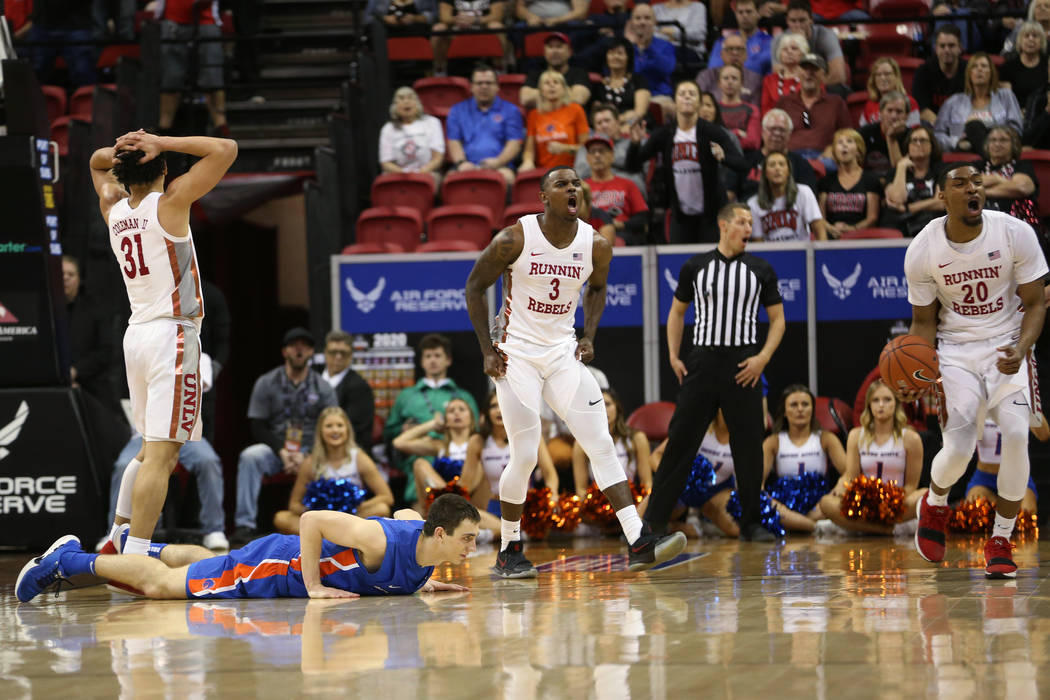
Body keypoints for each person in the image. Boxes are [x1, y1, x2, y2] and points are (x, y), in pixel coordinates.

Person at [464, 166, 688, 575]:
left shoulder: (596, 245)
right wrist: (486, 350)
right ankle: (509, 550)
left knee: (600, 441)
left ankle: (637, 539)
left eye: (577, 184)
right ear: (544, 196)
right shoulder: (515, 238)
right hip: (517, 356)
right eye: (562, 183)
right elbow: (474, 287)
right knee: (526, 454)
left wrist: (588, 334)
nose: (573, 188)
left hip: (562, 353)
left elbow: (598, 288)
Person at [88, 130, 237, 561]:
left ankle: (116, 534)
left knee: (148, 447)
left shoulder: (112, 208)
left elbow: (97, 163)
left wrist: (124, 151)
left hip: (136, 336)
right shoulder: (171, 204)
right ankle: (136, 554)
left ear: (122, 172)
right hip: (171, 335)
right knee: (164, 456)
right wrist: (159, 140)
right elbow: (225, 149)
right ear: (164, 167)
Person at [908, 163, 1048, 578]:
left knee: (1019, 436)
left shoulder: (1013, 232)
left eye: (977, 182)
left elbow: (1036, 303)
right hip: (956, 351)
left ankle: (1000, 540)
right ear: (941, 195)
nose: (973, 189)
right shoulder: (923, 248)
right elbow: (923, 321)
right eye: (961, 183)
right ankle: (934, 505)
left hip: (1007, 344)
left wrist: (1021, 348)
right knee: (960, 447)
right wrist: (920, 368)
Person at [16, 493, 479, 603]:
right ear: (440, 535)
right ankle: (65, 559)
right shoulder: (377, 540)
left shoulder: (421, 537)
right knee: (162, 590)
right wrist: (315, 586)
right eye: (467, 539)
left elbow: (406, 518)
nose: (472, 548)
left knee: (210, 562)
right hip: (277, 567)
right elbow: (312, 519)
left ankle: (146, 550)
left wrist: (424, 579)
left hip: (276, 559)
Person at [645, 202, 786, 542]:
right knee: (680, 441)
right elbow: (676, 314)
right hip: (703, 363)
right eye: (742, 221)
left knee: (750, 446)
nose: (749, 227)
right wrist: (674, 355)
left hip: (744, 366)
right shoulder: (696, 266)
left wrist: (763, 358)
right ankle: (654, 523)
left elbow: (778, 319)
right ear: (724, 226)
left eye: (751, 222)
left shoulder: (761, 268)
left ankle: (751, 522)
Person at [233, 327, 338, 545]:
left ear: (311, 352)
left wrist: (307, 456)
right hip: (275, 449)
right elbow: (258, 426)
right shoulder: (267, 382)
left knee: (333, 460)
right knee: (250, 456)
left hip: (313, 451)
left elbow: (331, 425)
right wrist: (282, 450)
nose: (299, 351)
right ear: (285, 352)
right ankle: (244, 525)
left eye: (305, 347)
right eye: (294, 346)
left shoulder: (323, 387)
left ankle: (327, 528)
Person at [626, 80, 747, 243]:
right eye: (682, 94)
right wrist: (634, 144)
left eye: (692, 94)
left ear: (699, 103)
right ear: (675, 102)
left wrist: (724, 157)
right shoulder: (665, 133)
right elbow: (632, 166)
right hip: (681, 217)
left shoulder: (712, 132)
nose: (687, 98)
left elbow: (742, 165)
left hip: (711, 215)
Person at [819, 380, 925, 535]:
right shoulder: (856, 435)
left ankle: (858, 527)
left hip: (896, 504)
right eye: (875, 400)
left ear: (896, 404)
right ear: (869, 405)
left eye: (887, 400)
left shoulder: (911, 438)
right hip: (864, 502)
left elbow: (911, 486)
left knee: (925, 496)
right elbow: (851, 477)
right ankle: (887, 530)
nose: (881, 405)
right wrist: (842, 485)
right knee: (826, 502)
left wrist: (889, 503)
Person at [382, 334, 480, 504]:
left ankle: (454, 505)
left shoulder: (463, 397)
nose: (432, 361)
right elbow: (391, 433)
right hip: (419, 457)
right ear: (422, 362)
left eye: (437, 356)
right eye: (428, 356)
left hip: (460, 459)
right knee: (421, 466)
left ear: (448, 360)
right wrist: (404, 430)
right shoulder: (407, 396)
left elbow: (477, 432)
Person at [274, 407, 394, 535]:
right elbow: (294, 504)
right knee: (281, 518)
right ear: (320, 431)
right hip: (321, 522)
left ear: (347, 429)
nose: (335, 430)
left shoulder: (359, 458)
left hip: (352, 518)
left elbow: (387, 497)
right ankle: (331, 535)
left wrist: (354, 506)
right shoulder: (310, 462)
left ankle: (329, 537)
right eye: (329, 426)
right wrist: (315, 509)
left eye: (340, 425)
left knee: (382, 509)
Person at [107, 432, 229, 551]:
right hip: (147, 434)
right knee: (126, 465)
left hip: (185, 434)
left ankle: (214, 529)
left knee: (208, 461)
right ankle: (116, 532)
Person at [762, 384, 846, 532]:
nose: (800, 409)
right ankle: (815, 528)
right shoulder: (773, 442)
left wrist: (839, 487)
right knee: (763, 502)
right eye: (794, 405)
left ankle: (796, 525)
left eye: (805, 404)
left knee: (835, 502)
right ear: (784, 412)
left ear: (812, 410)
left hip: (819, 506)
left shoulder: (826, 438)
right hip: (784, 506)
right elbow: (758, 482)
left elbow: (849, 472)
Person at [461, 391, 559, 516]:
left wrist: (552, 495)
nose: (498, 410)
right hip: (495, 507)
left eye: (503, 404)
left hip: (527, 508)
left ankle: (497, 534)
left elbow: (550, 474)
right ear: (486, 412)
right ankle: (499, 532)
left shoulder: (531, 435)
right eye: (493, 406)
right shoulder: (478, 441)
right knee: (477, 517)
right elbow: (466, 483)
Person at [156, 0, 229, 136]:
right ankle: (164, 127)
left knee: (212, 78)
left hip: (207, 21)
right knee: (171, 79)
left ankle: (221, 125)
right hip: (172, 22)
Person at [447, 64, 525, 188]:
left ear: (497, 87)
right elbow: (453, 141)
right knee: (450, 180)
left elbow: (514, 143)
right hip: (467, 165)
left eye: (489, 83)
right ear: (471, 87)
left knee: (507, 178)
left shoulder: (511, 110)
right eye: (479, 83)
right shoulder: (457, 110)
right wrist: (462, 163)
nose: (484, 86)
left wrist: (498, 162)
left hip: (501, 166)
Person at [392, 397, 476, 510]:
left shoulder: (479, 442)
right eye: (451, 411)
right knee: (420, 463)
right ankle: (448, 502)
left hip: (471, 501)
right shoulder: (440, 446)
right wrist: (432, 424)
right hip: (441, 503)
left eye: (462, 409)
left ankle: (454, 504)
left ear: (471, 417)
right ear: (446, 420)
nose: (457, 413)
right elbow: (399, 442)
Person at [933, 52, 1022, 154]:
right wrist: (955, 143)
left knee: (973, 126)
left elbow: (1016, 130)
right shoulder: (953, 102)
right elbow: (938, 134)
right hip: (962, 154)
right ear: (969, 73)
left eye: (984, 66)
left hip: (999, 153)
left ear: (991, 72)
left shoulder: (1005, 96)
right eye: (975, 66)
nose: (979, 69)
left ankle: (988, 156)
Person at [62, 255, 118, 414]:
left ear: (78, 280)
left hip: (91, 388)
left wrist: (76, 371)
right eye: (61, 273)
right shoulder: (46, 313)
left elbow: (106, 351)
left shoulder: (94, 311)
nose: (65, 277)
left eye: (70, 274)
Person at [573, 388, 652, 498]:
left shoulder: (637, 439)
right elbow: (581, 490)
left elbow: (647, 483)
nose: (603, 410)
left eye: (607, 404)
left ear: (617, 408)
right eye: (598, 405)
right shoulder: (581, 443)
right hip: (597, 504)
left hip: (631, 501)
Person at [729, 108, 817, 203]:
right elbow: (728, 194)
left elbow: (810, 201)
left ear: (789, 134)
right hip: (748, 214)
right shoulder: (745, 161)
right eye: (772, 129)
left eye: (782, 130)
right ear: (762, 132)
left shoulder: (801, 165)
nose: (777, 134)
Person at [776, 53, 851, 163]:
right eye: (805, 69)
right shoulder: (784, 102)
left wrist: (832, 148)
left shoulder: (836, 102)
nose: (808, 74)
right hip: (791, 157)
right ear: (798, 73)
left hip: (824, 157)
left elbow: (847, 133)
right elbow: (774, 132)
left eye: (814, 70)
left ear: (823, 74)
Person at [964, 418, 1048, 514]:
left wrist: (1031, 404)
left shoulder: (1021, 404)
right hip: (984, 479)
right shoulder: (979, 403)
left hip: (1017, 479)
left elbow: (1044, 435)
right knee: (976, 512)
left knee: (1026, 518)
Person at [583, 135, 649, 245]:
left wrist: (619, 225)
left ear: (612, 156)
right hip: (588, 236)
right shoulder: (581, 187)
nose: (597, 155)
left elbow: (642, 221)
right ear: (587, 158)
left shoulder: (628, 184)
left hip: (621, 235)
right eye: (593, 152)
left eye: (602, 151)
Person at [747, 151, 826, 241]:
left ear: (789, 171)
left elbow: (819, 230)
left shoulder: (804, 192)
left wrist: (823, 255)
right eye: (772, 165)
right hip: (770, 254)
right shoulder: (753, 203)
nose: (777, 168)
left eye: (781, 164)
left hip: (802, 253)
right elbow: (758, 242)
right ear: (765, 173)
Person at [319, 330, 375, 453]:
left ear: (351, 356)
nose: (338, 357)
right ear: (325, 353)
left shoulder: (360, 387)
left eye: (343, 353)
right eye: (333, 352)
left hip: (346, 450)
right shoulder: (313, 379)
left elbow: (354, 429)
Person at [883, 125, 945, 237]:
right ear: (908, 146)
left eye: (923, 140)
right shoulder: (895, 172)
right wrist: (901, 166)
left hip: (933, 228)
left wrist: (909, 208)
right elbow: (897, 200)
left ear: (932, 145)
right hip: (902, 228)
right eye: (914, 140)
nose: (918, 144)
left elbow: (941, 202)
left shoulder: (940, 170)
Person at [521, 71, 589, 172]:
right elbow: (529, 150)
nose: (551, 85)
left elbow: (587, 150)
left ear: (564, 89)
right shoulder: (534, 115)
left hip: (572, 170)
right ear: (541, 91)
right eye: (547, 83)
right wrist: (528, 161)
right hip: (543, 173)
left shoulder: (575, 110)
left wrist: (565, 148)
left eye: (556, 82)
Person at [771, 0, 848, 90]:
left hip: (824, 88)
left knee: (837, 89)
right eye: (793, 21)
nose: (798, 25)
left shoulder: (826, 35)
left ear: (811, 20)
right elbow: (779, 76)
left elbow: (839, 75)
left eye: (802, 20)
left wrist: (812, 89)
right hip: (792, 90)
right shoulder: (779, 40)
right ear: (787, 21)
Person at [818, 129, 880, 238]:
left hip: (861, 236)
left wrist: (852, 229)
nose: (844, 145)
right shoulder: (826, 181)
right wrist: (830, 228)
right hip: (831, 236)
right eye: (840, 142)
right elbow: (820, 217)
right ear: (835, 152)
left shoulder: (870, 179)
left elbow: (872, 218)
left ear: (858, 150)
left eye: (849, 141)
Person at [379, 87, 445, 186]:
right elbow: (385, 163)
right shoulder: (388, 128)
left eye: (410, 98)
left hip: (428, 173)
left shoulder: (432, 122)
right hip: (398, 175)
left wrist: (420, 173)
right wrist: (404, 174)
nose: (406, 102)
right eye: (401, 98)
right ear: (394, 106)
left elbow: (438, 158)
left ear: (418, 103)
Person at [572, 103, 646, 191]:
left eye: (607, 121)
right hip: (595, 193)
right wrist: (618, 166)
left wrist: (601, 167)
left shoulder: (632, 143)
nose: (604, 125)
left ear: (618, 123)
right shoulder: (587, 148)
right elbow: (581, 173)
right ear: (595, 128)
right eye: (599, 123)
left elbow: (639, 175)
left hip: (625, 192)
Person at [978, 125, 1040, 229]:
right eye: (993, 140)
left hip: (1018, 223)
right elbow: (969, 183)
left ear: (1014, 144)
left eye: (1003, 140)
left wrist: (982, 190)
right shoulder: (978, 165)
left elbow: (1022, 188)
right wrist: (1005, 182)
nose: (997, 144)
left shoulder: (1022, 165)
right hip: (982, 223)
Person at [24, 0, 97, 88]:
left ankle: (86, 100)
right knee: (34, 72)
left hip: (76, 23)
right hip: (44, 23)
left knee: (83, 71)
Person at [589, 38, 652, 131]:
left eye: (620, 53)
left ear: (628, 57)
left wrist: (619, 125)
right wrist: (617, 122)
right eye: (611, 53)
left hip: (633, 126)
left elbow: (640, 112)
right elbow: (596, 114)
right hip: (606, 129)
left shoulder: (638, 80)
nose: (615, 57)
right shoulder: (599, 85)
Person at [431, 0, 507, 76]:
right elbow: (444, 17)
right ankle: (440, 70)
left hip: (484, 29)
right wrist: (458, 19)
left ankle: (499, 68)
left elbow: (497, 16)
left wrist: (475, 20)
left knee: (496, 26)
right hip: (456, 30)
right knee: (439, 28)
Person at [623, 4, 676, 109]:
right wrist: (628, 45)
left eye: (647, 18)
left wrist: (648, 47)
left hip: (658, 96)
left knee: (667, 107)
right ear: (631, 23)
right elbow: (622, 73)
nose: (642, 22)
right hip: (629, 95)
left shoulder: (665, 45)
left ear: (654, 22)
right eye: (638, 18)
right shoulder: (624, 46)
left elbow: (667, 69)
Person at [912, 25, 968, 125]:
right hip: (933, 126)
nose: (946, 50)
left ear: (960, 48)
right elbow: (922, 109)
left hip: (963, 124)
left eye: (951, 46)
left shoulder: (969, 70)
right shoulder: (923, 71)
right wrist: (943, 126)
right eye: (942, 46)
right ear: (936, 49)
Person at [520, 33, 592, 109]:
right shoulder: (535, 74)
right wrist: (565, 93)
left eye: (559, 46)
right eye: (550, 47)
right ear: (544, 52)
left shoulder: (579, 73)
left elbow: (578, 98)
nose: (554, 51)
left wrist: (544, 94)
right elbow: (525, 98)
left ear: (569, 52)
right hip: (543, 119)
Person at [707, 0, 773, 76]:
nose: (744, 16)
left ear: (758, 14)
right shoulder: (722, 41)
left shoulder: (769, 41)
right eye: (740, 12)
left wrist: (730, 61)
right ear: (736, 15)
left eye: (749, 12)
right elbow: (713, 68)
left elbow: (757, 67)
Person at [696, 32, 763, 106]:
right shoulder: (706, 76)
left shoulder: (755, 79)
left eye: (739, 49)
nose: (735, 53)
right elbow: (698, 103)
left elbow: (756, 109)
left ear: (746, 55)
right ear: (722, 54)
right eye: (730, 49)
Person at [857, 91, 910, 179]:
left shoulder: (912, 137)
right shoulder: (865, 133)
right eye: (889, 110)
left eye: (899, 112)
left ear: (907, 116)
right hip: (869, 182)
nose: (893, 116)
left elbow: (902, 173)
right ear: (880, 113)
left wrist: (891, 137)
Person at [999, 21, 1049, 111]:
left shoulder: (1047, 66)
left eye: (1035, 36)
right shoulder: (1008, 68)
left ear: (1042, 41)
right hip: (1017, 113)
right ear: (1019, 41)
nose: (1031, 39)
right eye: (1026, 36)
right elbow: (1006, 101)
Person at [859, 57, 921, 128]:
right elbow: (863, 134)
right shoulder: (869, 105)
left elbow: (913, 133)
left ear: (896, 77)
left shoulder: (910, 102)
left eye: (887, 74)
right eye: (878, 75)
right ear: (874, 79)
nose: (883, 78)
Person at [761, 32, 808, 115]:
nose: (789, 52)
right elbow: (765, 109)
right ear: (780, 54)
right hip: (776, 124)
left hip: (803, 123)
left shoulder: (810, 78)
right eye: (785, 49)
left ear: (803, 54)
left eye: (794, 48)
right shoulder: (769, 80)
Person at [717, 65, 761, 152]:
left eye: (734, 78)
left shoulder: (752, 109)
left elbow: (753, 142)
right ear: (719, 83)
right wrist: (737, 132)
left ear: (742, 83)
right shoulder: (713, 109)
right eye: (726, 78)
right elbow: (711, 138)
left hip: (746, 157)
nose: (730, 82)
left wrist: (723, 143)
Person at [365, 0, 438, 29]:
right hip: (386, 37)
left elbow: (435, 16)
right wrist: (384, 18)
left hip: (417, 35)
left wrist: (416, 18)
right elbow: (367, 18)